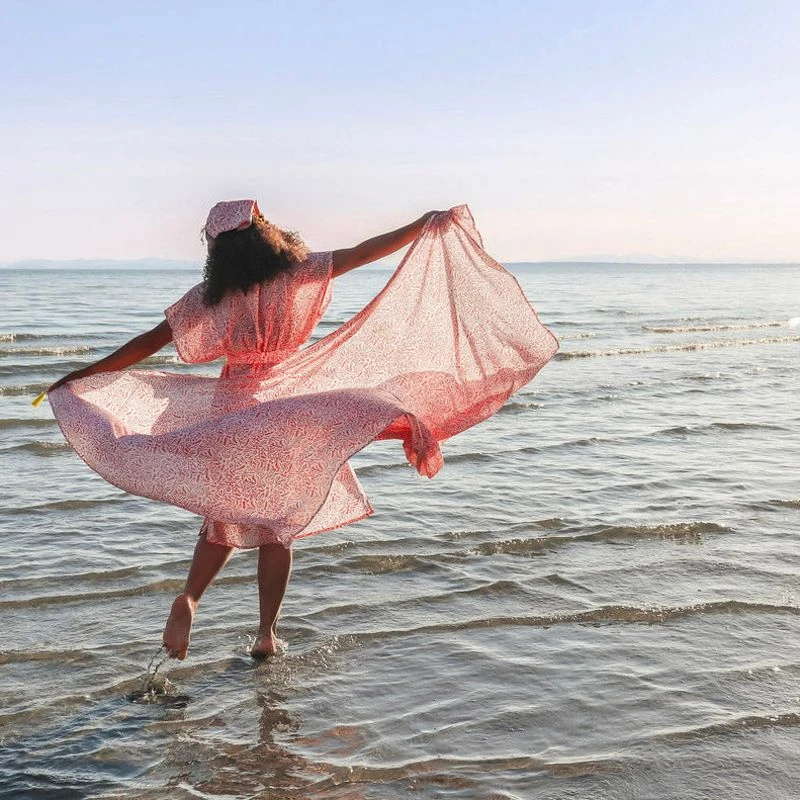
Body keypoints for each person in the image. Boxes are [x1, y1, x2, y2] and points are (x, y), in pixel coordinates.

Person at [46, 200, 558, 662]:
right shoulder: (299, 273)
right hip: (285, 406)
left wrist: (80, 375)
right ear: (264, 234)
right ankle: (266, 633)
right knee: (279, 524)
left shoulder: (209, 296)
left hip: (232, 408)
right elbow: (366, 251)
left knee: (222, 516)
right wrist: (421, 224)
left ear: (217, 250)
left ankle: (191, 598)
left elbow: (146, 343)